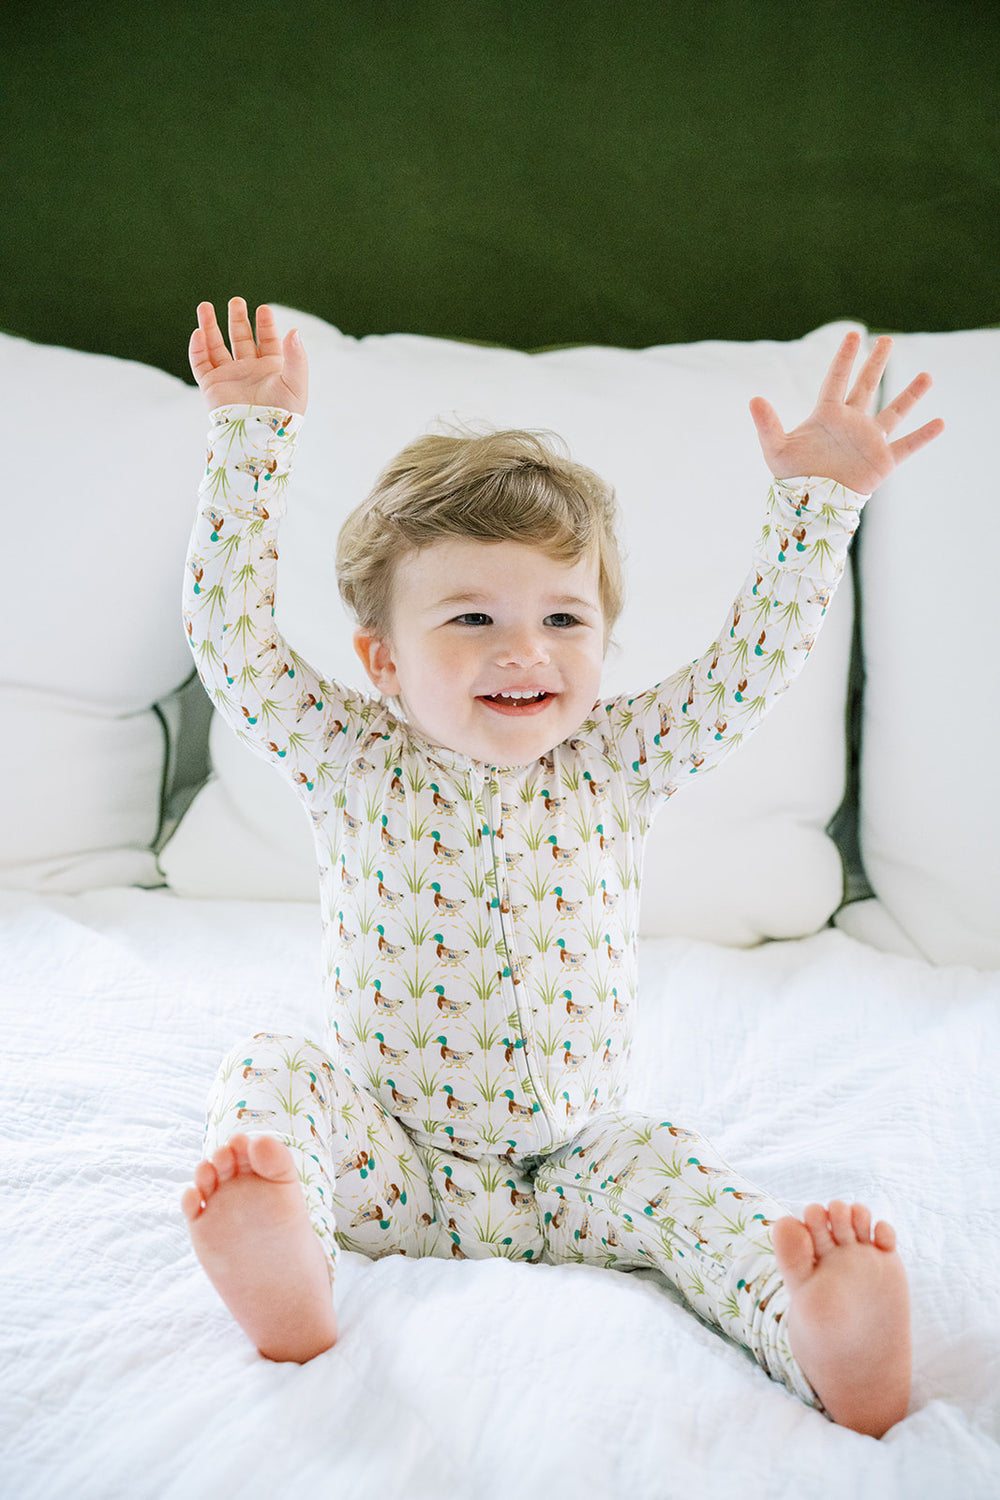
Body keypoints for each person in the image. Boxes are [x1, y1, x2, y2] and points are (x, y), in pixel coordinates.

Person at [181, 298, 942, 1437]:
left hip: (569, 1165)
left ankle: (817, 1329)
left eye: (564, 618)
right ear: (382, 661)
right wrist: (251, 439)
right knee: (269, 1069)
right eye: (472, 615)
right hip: (396, 1154)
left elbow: (753, 662)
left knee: (678, 1176)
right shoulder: (351, 754)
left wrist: (816, 503)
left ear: (601, 643)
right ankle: (287, 1254)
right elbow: (232, 642)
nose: (523, 649)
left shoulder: (614, 758)